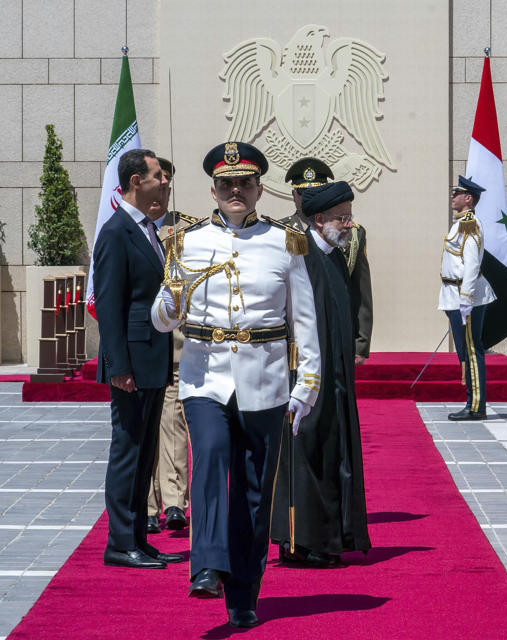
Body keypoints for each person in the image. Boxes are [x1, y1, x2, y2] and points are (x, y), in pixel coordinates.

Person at [151, 141, 321, 629]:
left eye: (244, 183)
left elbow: (304, 321)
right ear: (213, 189)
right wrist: (172, 299)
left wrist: (306, 383)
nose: (235, 191)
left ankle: (244, 592)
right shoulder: (186, 241)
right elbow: (163, 320)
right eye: (226, 184)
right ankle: (205, 564)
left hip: (265, 381)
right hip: (205, 377)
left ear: (258, 189)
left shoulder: (285, 242)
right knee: (210, 453)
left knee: (253, 490)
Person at [271, 180, 371, 567]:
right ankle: (300, 543)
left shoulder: (331, 255)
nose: (348, 225)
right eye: (341, 219)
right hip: (308, 378)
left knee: (332, 453)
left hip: (337, 377)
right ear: (319, 219)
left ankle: (331, 536)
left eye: (349, 217)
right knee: (306, 453)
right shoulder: (303, 255)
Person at [95, 148, 182, 569]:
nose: (164, 182)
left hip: (151, 359)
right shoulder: (116, 233)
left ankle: (138, 540)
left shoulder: (149, 229)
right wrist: (119, 367)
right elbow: (109, 307)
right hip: (131, 364)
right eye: (157, 176)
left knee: (145, 453)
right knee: (128, 452)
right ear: (135, 182)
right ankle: (120, 542)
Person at [146, 157, 196, 534]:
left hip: (177, 346)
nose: (163, 184)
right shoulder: (129, 230)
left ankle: (176, 501)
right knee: (143, 426)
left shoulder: (188, 230)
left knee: (174, 422)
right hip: (145, 346)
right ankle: (147, 504)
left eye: (167, 179)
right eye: (156, 178)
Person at [283, 157, 373, 364]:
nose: (308, 198)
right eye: (303, 193)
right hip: (294, 338)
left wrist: (360, 343)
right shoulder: (280, 232)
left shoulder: (353, 233)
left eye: (316, 192)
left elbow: (360, 289)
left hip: (337, 330)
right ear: (293, 195)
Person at [441, 176, 496, 420]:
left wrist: (466, 299)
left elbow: (472, 264)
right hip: (454, 294)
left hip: (466, 297)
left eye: (457, 193)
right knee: (466, 351)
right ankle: (472, 402)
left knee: (472, 351)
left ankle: (476, 406)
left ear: (468, 198)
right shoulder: (460, 223)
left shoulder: (469, 224)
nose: (453, 196)